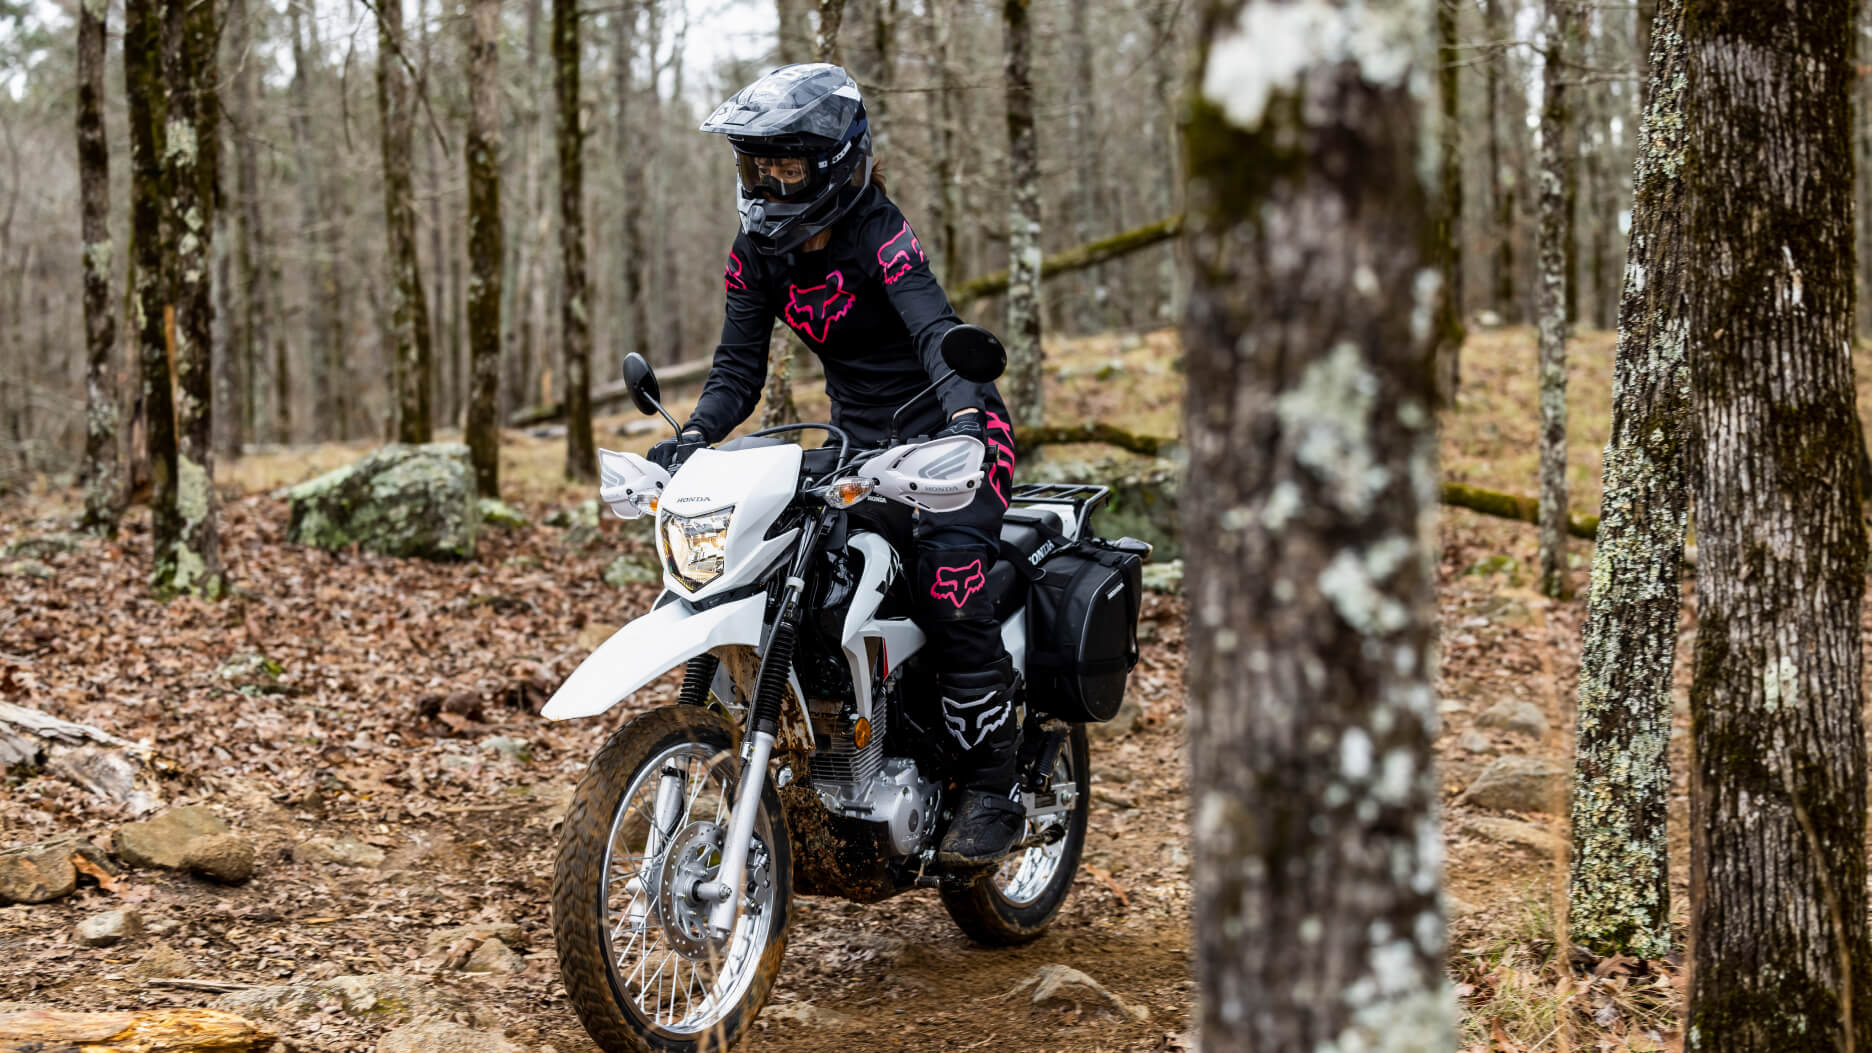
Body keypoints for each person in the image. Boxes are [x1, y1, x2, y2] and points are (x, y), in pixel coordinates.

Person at [649, 63, 1023, 867]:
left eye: (785, 166)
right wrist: (694, 434)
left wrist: (964, 421)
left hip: (956, 437)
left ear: (836, 163)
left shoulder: (881, 235)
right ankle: (842, 748)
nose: (766, 184)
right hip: (857, 445)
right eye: (755, 166)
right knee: (795, 569)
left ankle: (993, 788)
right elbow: (737, 370)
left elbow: (936, 332)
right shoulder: (756, 254)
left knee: (948, 577)